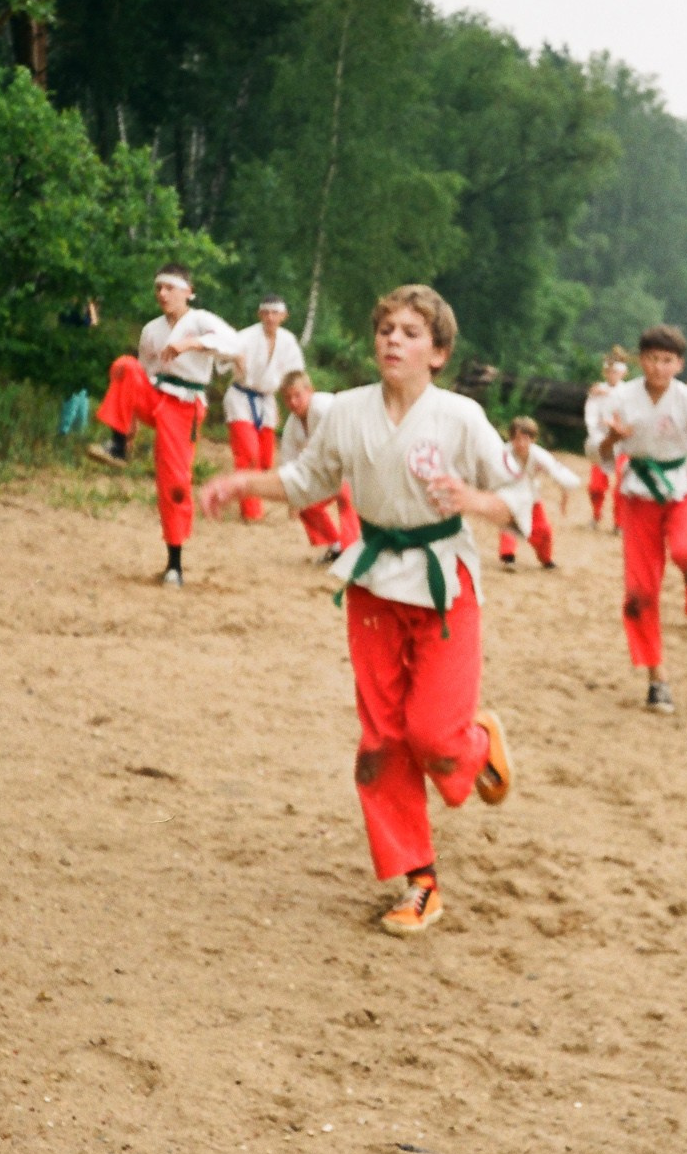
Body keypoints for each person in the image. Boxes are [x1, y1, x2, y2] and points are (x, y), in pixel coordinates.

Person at [203, 285, 517, 937]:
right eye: (385, 329)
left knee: (433, 736)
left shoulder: (460, 417)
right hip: (374, 586)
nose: (393, 339)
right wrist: (241, 482)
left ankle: (477, 744)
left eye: (410, 332)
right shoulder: (345, 410)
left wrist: (473, 500)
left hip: (444, 585)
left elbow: (519, 496)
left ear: (438, 352)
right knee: (382, 740)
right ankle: (420, 881)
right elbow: (305, 481)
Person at [590, 324, 687, 714]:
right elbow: (596, 450)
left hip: (680, 486)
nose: (659, 368)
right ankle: (656, 677)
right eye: (652, 359)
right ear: (640, 360)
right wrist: (612, 440)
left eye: (667, 360)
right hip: (638, 492)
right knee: (640, 591)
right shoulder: (620, 398)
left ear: (679, 364)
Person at [91, 265, 238, 586]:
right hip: (155, 394)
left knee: (174, 483)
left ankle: (175, 563)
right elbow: (141, 375)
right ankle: (118, 443)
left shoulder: (200, 320)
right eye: (159, 288)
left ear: (188, 292)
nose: (163, 294)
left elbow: (233, 343)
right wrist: (130, 421)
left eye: (170, 288)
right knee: (125, 365)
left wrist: (190, 344)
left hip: (184, 406)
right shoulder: (152, 330)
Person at [222, 295, 305, 524]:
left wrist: (296, 402)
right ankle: (251, 512)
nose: (270, 317)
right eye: (266, 312)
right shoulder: (245, 336)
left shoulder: (288, 341)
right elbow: (221, 356)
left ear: (284, 316)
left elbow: (295, 374)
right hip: (240, 397)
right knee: (248, 454)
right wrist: (233, 357)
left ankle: (250, 497)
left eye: (275, 313)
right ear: (260, 314)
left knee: (266, 460)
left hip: (267, 400)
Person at [276, 370, 359, 562]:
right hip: (329, 472)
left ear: (310, 391)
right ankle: (335, 545)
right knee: (306, 504)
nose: (293, 402)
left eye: (298, 395)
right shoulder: (291, 426)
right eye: (288, 398)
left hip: (355, 464)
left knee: (346, 497)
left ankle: (351, 551)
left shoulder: (324, 406)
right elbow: (289, 463)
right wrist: (293, 499)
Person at [496, 417, 580, 569]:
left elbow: (557, 473)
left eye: (525, 439)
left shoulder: (539, 456)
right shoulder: (502, 453)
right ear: (511, 438)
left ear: (533, 439)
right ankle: (508, 556)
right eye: (517, 439)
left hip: (531, 495)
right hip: (509, 494)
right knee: (509, 523)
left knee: (544, 530)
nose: (521, 444)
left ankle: (545, 558)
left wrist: (565, 496)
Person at [581, 348, 631, 531]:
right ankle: (596, 515)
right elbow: (590, 416)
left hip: (622, 443)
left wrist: (617, 426)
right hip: (601, 441)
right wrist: (597, 434)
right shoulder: (597, 392)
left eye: (615, 372)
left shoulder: (629, 393)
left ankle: (619, 522)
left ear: (623, 373)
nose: (612, 375)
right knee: (596, 485)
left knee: (622, 485)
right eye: (609, 371)